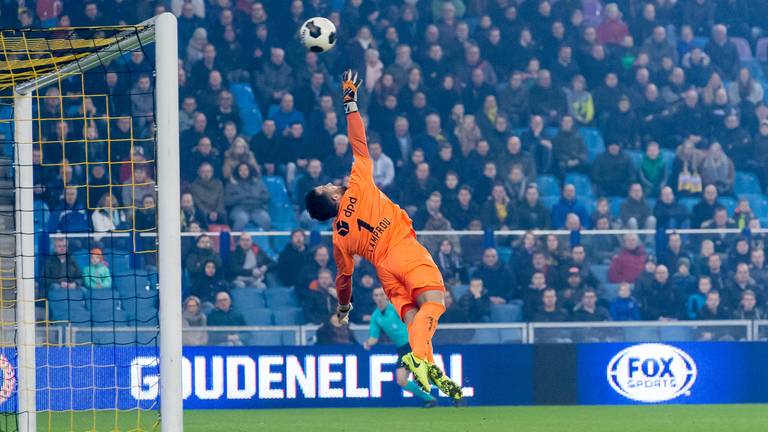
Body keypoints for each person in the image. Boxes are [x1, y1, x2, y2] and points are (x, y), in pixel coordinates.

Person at [303, 71, 462, 401]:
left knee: (415, 318)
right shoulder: (358, 182)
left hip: (385, 272)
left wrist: (345, 308)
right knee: (435, 303)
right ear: (330, 198)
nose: (332, 183)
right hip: (404, 250)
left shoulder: (338, 237)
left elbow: (344, 279)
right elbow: (358, 140)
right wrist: (349, 100)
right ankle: (419, 359)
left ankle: (426, 363)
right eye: (326, 187)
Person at [363, 287, 437, 408]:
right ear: (373, 298)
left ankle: (444, 392)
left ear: (386, 296)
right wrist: (367, 343)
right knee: (401, 380)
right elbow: (374, 338)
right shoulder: (376, 317)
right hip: (402, 349)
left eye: (381, 295)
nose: (379, 298)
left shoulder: (395, 308)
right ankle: (429, 399)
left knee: (420, 375)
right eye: (376, 295)